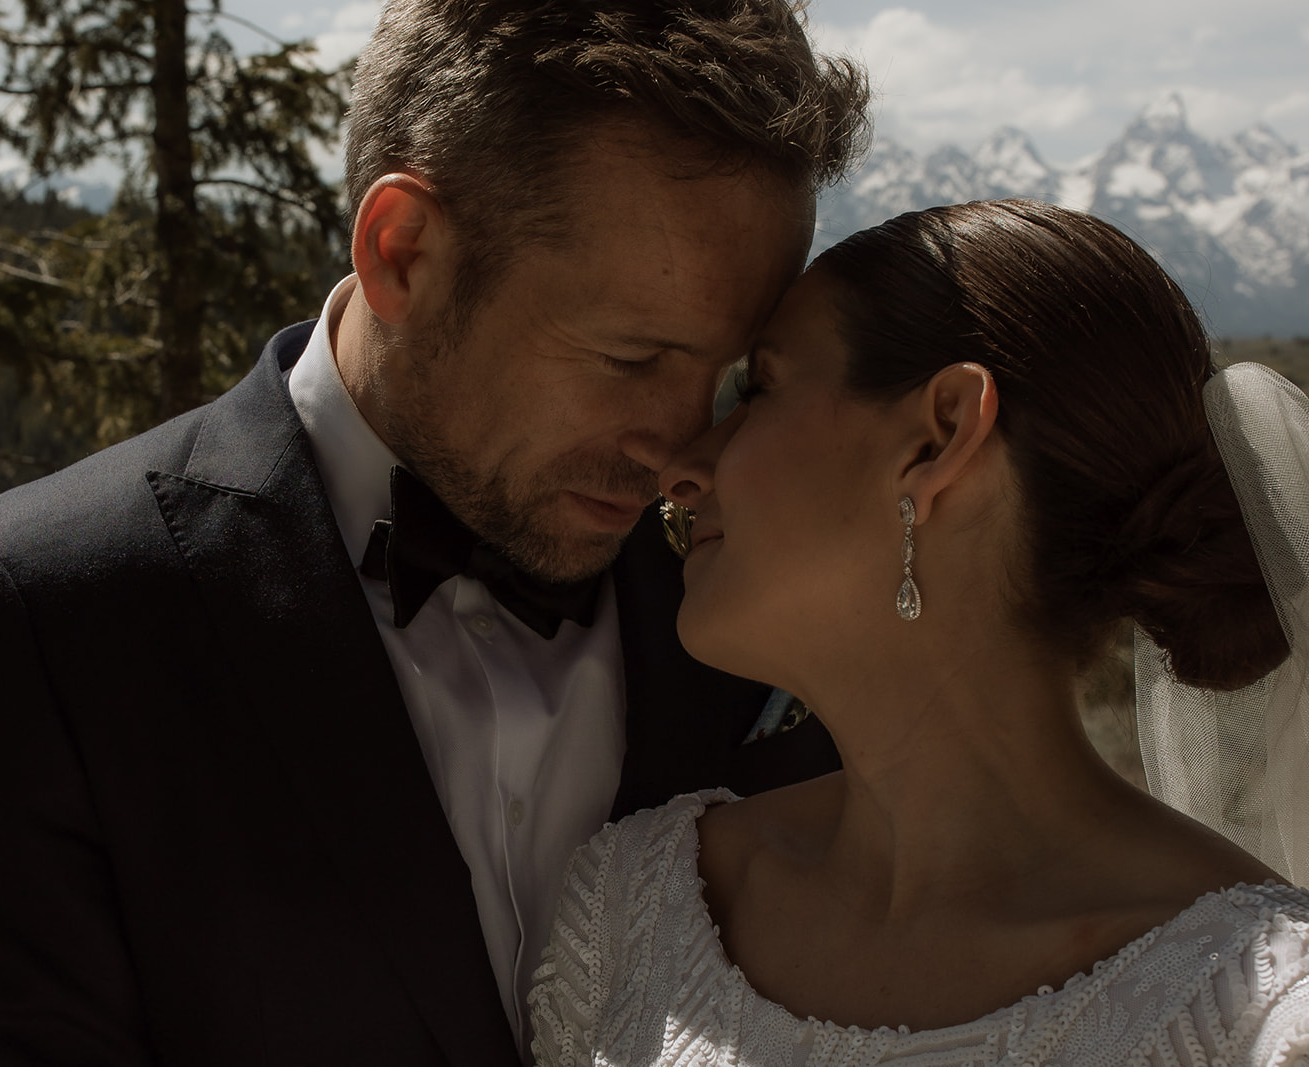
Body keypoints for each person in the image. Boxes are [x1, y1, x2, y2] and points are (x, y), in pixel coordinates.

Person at [0, 2, 870, 1065]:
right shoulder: (52, 615)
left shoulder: (755, 593)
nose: (683, 449)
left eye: (727, 375)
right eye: (629, 359)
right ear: (403, 251)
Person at [528, 200, 1309, 1066]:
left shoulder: (1264, 1019)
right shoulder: (633, 906)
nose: (682, 466)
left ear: (939, 435)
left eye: (758, 390)